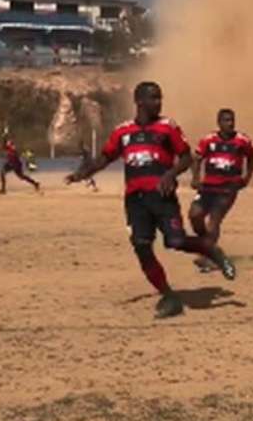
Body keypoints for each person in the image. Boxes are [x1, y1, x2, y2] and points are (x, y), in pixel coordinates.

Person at [65, 81, 236, 319]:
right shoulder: (123, 132)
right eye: (153, 98)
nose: (158, 102)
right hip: (135, 201)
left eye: (160, 98)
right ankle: (169, 296)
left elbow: (186, 157)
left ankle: (212, 251)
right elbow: (105, 158)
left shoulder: (168, 127)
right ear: (139, 101)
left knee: (175, 241)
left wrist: (170, 174)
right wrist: (81, 174)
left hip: (162, 198)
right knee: (141, 246)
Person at [189, 109, 253, 272]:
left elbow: (252, 157)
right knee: (194, 215)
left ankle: (209, 256)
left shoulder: (242, 140)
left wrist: (247, 177)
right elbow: (196, 159)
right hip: (208, 186)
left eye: (232, 120)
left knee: (214, 220)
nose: (230, 123)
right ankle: (207, 243)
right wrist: (196, 178)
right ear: (219, 123)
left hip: (228, 188)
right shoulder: (208, 140)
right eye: (226, 121)